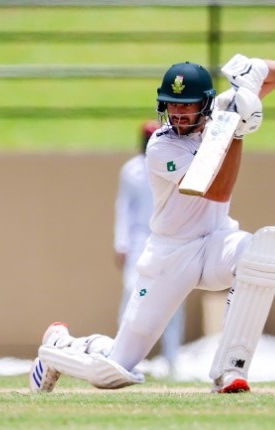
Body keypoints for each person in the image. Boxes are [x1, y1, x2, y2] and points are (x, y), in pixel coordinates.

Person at [29, 53, 275, 394]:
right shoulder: (161, 147)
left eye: (187, 105)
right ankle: (58, 347)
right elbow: (217, 189)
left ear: (206, 105)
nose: (178, 113)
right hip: (171, 254)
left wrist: (251, 81)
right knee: (114, 371)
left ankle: (229, 370)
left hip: (215, 242)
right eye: (171, 105)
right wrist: (237, 131)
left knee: (257, 255)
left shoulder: (221, 116)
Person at [113, 120, 185, 375]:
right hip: (139, 238)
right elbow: (123, 208)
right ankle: (123, 355)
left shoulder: (172, 164)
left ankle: (171, 359)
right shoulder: (131, 171)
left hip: (167, 236)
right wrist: (120, 243)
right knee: (132, 290)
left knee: (173, 295)